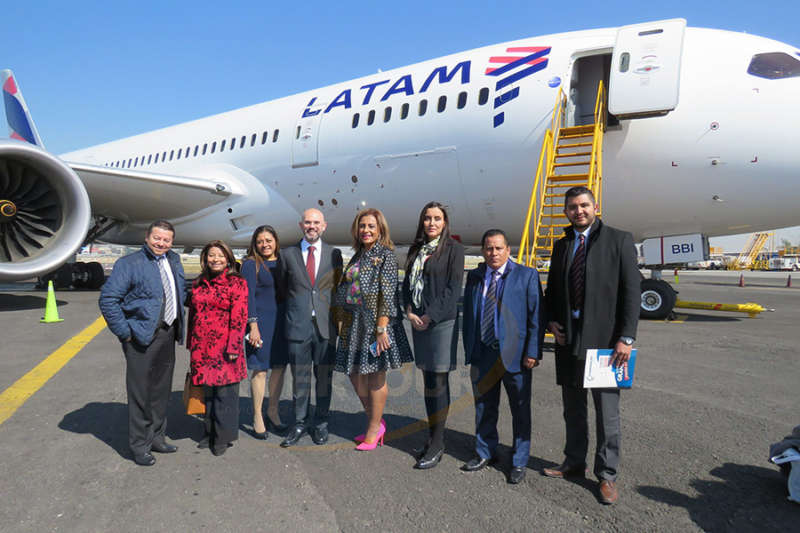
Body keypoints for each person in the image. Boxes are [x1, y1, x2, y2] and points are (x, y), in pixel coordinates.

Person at [543, 186, 640, 505]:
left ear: (595, 206)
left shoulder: (619, 240)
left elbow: (631, 292)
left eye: (584, 205)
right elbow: (554, 290)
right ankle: (573, 462)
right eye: (572, 207)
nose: (578, 211)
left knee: (607, 414)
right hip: (568, 340)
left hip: (605, 345)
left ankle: (607, 475)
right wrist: (551, 320)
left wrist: (626, 337)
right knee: (573, 410)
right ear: (566, 212)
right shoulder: (562, 245)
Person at [99, 220, 185, 467]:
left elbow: (179, 293)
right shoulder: (130, 264)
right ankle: (139, 445)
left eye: (166, 240)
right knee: (140, 394)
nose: (161, 243)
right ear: (147, 238)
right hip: (140, 337)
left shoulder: (174, 260)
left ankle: (157, 437)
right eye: (157, 238)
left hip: (168, 334)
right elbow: (108, 300)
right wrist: (125, 333)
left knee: (161, 391)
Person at [461, 229, 543, 484]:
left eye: (498, 248)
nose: (493, 253)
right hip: (483, 352)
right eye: (488, 248)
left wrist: (532, 351)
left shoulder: (526, 275)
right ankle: (485, 451)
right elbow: (470, 314)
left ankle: (519, 460)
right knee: (484, 407)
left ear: (508, 250)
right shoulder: (475, 276)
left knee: (520, 409)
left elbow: (535, 317)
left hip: (516, 356)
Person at [334, 208, 413, 451]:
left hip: (375, 325)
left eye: (371, 226)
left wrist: (381, 328)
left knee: (375, 376)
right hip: (353, 323)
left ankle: (373, 428)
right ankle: (375, 421)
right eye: (362, 226)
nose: (366, 230)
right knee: (355, 374)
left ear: (380, 230)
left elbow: (388, 294)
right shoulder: (359, 254)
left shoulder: (385, 255)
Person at [401, 201, 464, 469]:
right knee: (428, 380)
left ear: (445, 222)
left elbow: (453, 289)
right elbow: (407, 284)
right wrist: (408, 310)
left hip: (440, 322)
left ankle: (438, 443)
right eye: (427, 218)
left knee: (438, 381)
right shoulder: (417, 249)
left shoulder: (454, 250)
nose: (432, 223)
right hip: (419, 321)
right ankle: (432, 436)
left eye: (437, 218)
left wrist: (429, 316)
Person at [279, 208, 343, 447]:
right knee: (300, 378)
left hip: (326, 328)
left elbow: (338, 290)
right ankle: (299, 422)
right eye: (307, 222)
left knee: (324, 378)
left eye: (316, 222)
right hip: (298, 326)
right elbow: (282, 291)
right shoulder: (288, 255)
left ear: (324, 225)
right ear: (301, 225)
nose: (312, 226)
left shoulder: (334, 254)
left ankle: (321, 423)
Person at [186, 240, 248, 456]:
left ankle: (223, 437)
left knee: (225, 394)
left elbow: (239, 317)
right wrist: (190, 342)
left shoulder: (236, 283)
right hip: (202, 347)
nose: (216, 259)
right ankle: (209, 432)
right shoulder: (199, 282)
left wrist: (233, 346)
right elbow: (193, 314)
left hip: (225, 346)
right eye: (211, 255)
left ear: (228, 259)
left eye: (220, 256)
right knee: (208, 392)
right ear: (205, 258)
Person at [241, 225, 289, 439]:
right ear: (255, 244)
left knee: (279, 368)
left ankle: (273, 411)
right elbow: (248, 297)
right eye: (260, 241)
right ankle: (257, 415)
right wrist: (253, 326)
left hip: (282, 324)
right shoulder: (251, 265)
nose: (265, 244)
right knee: (260, 370)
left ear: (276, 241)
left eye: (268, 240)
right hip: (260, 325)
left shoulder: (283, 262)